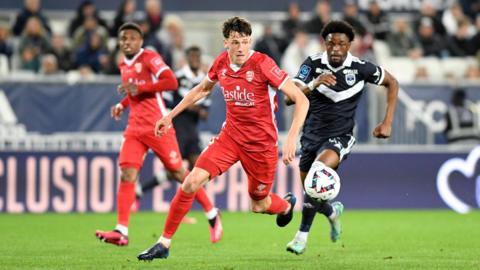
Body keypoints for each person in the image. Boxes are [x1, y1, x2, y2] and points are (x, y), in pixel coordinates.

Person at [137, 16, 309, 260]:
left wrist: (292, 137)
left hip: (261, 146)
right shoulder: (221, 63)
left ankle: (287, 206)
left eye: (245, 42)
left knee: (259, 205)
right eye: (235, 42)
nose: (241, 48)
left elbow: (301, 99)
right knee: (190, 182)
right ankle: (163, 244)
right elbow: (202, 89)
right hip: (230, 137)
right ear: (225, 43)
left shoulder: (263, 64)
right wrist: (170, 115)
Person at [95, 22, 222, 246]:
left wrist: (139, 89)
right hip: (134, 128)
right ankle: (121, 231)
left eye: (132, 38)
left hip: (157, 126)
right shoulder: (124, 63)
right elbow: (135, 92)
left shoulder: (150, 58)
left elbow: (170, 82)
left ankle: (212, 214)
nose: (127, 42)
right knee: (127, 174)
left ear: (141, 41)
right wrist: (122, 105)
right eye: (123, 38)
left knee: (179, 173)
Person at [284, 20, 399, 255]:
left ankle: (301, 237)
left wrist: (387, 122)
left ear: (350, 46)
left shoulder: (361, 68)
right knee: (311, 190)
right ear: (324, 44)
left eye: (341, 44)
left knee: (317, 176)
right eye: (331, 43)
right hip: (311, 135)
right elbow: (289, 98)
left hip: (341, 136)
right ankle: (332, 213)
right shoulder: (313, 64)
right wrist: (314, 83)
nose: (336, 48)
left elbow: (392, 82)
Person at [137, 45, 210, 202]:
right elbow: (167, 103)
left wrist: (196, 109)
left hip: (192, 129)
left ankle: (144, 190)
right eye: (192, 57)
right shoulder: (177, 77)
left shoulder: (205, 79)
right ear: (187, 58)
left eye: (197, 57)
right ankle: (144, 190)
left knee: (197, 169)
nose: (195, 60)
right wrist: (189, 107)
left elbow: (205, 111)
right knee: (176, 170)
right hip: (178, 127)